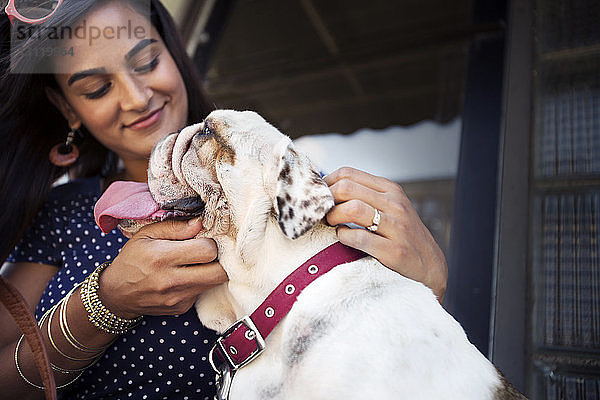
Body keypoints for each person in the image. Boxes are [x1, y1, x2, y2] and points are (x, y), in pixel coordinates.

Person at [0, 0, 448, 399]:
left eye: (147, 61)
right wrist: (106, 304)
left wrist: (430, 287)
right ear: (66, 108)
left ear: (174, 53)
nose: (136, 98)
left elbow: (380, 354)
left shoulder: (283, 191)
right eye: (97, 89)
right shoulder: (62, 213)